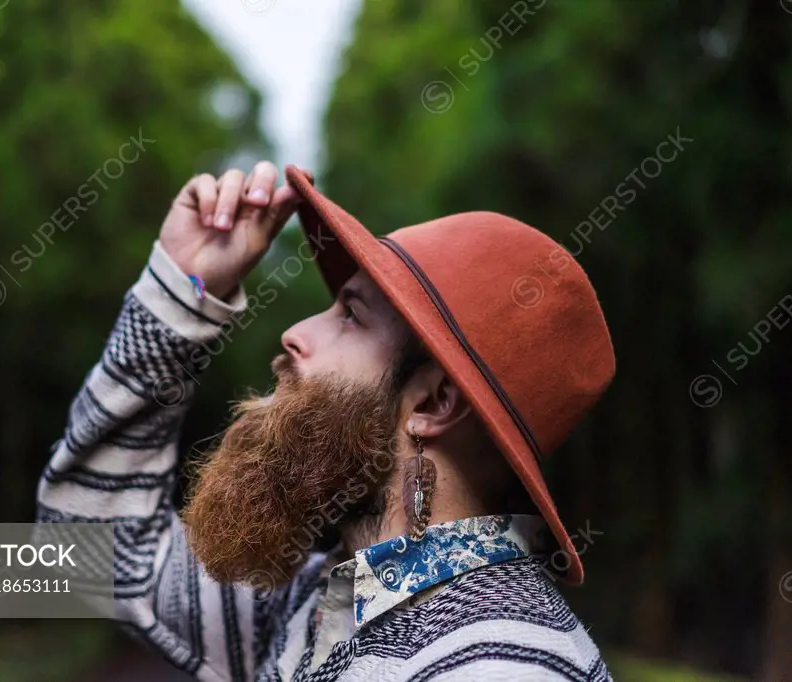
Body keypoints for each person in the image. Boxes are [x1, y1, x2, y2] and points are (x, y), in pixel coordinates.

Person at [35, 161, 616, 681]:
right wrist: (181, 291)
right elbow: (95, 556)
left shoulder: (499, 667)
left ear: (434, 404)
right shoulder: (319, 609)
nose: (294, 333)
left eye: (351, 316)